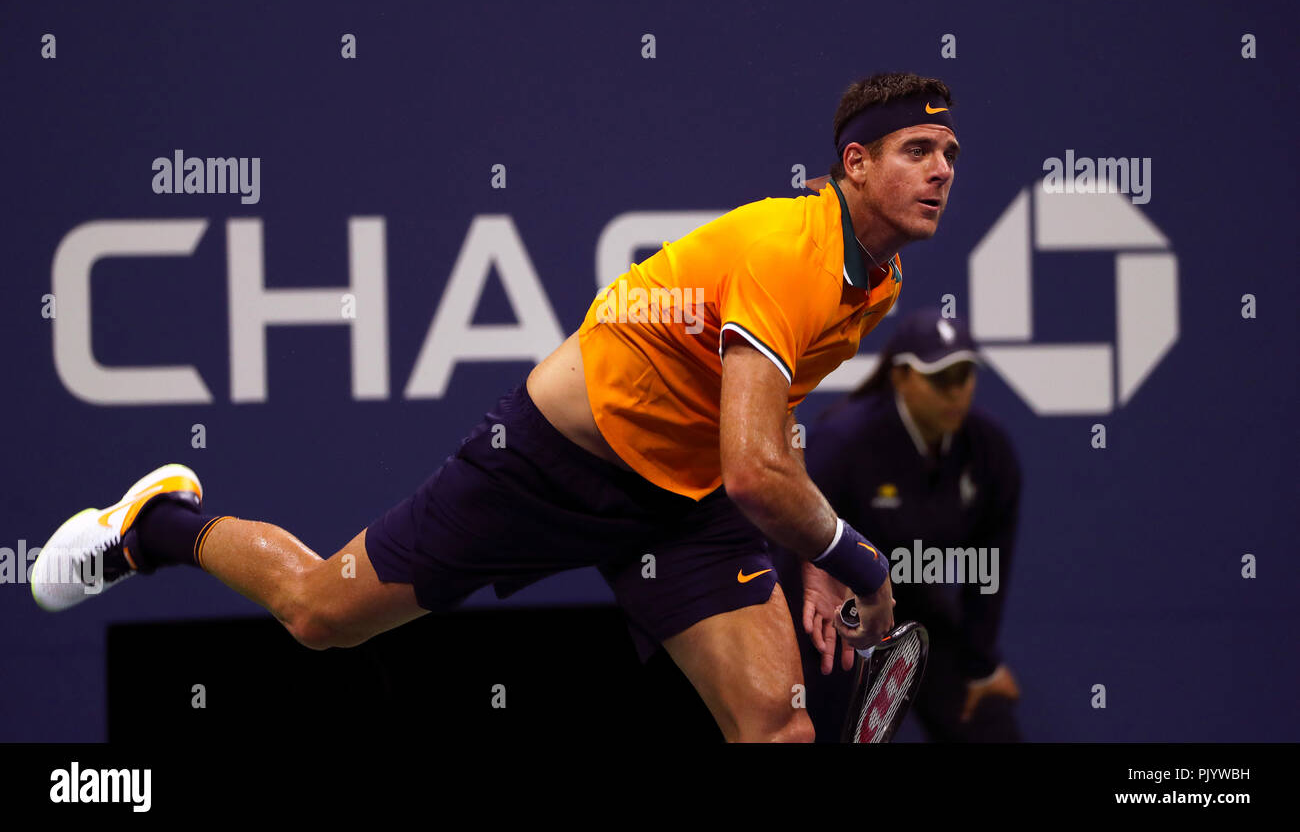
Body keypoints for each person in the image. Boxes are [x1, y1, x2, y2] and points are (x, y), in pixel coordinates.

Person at [31, 72, 962, 743]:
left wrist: (813, 553)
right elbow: (760, 472)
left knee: (775, 728)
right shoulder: (787, 250)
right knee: (318, 614)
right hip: (551, 466)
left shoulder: (874, 282)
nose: (941, 169)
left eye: (950, 153)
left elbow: (757, 432)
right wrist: (858, 560)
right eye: (916, 150)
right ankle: (155, 526)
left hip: (684, 505)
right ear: (854, 162)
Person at [772, 309, 1024, 741]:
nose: (956, 393)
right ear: (901, 376)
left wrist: (980, 665)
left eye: (965, 377)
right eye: (940, 379)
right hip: (834, 610)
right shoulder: (845, 440)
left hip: (914, 609)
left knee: (990, 727)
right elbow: (796, 540)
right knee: (817, 729)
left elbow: (987, 567)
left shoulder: (990, 452)